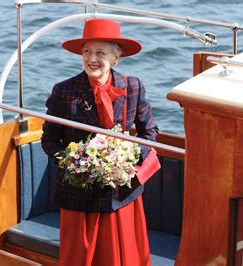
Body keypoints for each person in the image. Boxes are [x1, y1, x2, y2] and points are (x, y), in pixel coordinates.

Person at [41, 18, 158, 266]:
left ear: (116, 58)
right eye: (87, 52)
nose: (91, 59)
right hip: (79, 193)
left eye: (100, 53)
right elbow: (50, 140)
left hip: (122, 193)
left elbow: (150, 133)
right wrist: (76, 164)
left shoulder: (133, 86)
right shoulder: (64, 91)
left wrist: (125, 159)